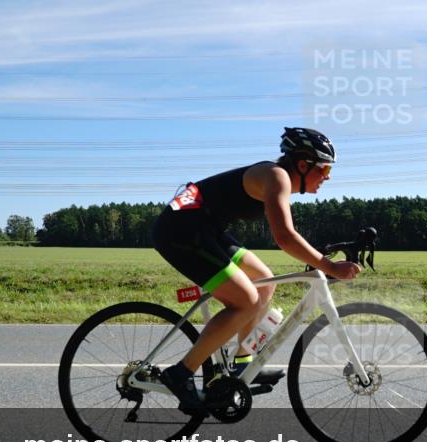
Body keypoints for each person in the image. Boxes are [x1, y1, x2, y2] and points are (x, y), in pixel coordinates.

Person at [152, 128, 361, 413]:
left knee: (264, 281)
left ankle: (241, 364)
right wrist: (330, 266)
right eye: (324, 168)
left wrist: (323, 258)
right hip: (182, 231)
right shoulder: (277, 176)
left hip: (205, 229)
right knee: (246, 301)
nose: (328, 176)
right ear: (303, 164)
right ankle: (181, 374)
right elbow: (285, 237)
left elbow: (289, 235)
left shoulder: (277, 177)